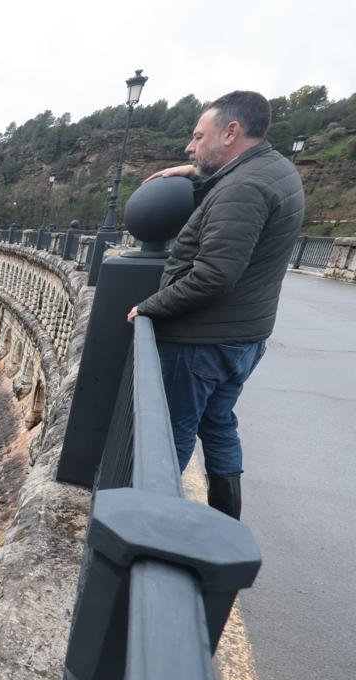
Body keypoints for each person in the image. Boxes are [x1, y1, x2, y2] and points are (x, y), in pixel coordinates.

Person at [125, 90, 305, 519]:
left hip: (202, 343)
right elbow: (239, 202)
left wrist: (150, 306)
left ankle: (152, 528)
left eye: (198, 136)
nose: (190, 145)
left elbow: (213, 276)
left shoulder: (243, 188)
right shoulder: (276, 170)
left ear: (231, 132)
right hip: (244, 338)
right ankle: (225, 519)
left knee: (170, 439)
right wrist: (195, 170)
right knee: (219, 425)